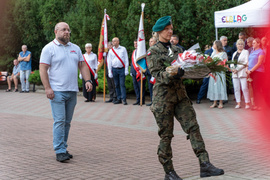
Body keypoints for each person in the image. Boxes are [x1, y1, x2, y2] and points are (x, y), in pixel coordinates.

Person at [147, 16, 224, 180]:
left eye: (171, 28)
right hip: (164, 99)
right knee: (166, 136)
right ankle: (169, 172)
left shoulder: (177, 50)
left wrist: (200, 69)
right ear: (159, 31)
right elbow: (157, 75)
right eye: (167, 29)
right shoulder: (153, 51)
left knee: (193, 128)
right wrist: (174, 73)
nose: (170, 31)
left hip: (180, 96)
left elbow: (187, 65)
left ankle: (205, 164)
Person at [39, 22, 93, 162]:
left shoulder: (75, 48)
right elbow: (43, 69)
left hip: (72, 91)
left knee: (67, 122)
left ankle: (63, 146)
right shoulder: (49, 48)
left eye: (68, 30)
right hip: (57, 91)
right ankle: (59, 150)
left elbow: (82, 65)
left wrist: (87, 80)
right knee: (60, 121)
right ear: (56, 31)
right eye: (63, 30)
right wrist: (47, 88)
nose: (67, 32)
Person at [107, 37, 129, 105]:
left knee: (122, 84)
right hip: (114, 69)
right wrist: (109, 71)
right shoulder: (111, 51)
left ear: (118, 42)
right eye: (113, 41)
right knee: (116, 85)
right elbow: (109, 61)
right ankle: (118, 98)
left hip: (121, 69)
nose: (113, 42)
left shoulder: (123, 49)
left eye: (115, 41)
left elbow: (126, 59)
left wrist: (126, 69)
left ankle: (124, 99)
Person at [207, 40, 228, 109]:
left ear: (217, 45)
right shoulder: (213, 53)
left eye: (214, 44)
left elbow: (225, 63)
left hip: (220, 72)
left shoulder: (223, 53)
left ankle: (221, 102)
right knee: (214, 86)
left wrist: (220, 64)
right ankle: (215, 102)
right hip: (214, 73)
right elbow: (211, 61)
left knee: (220, 86)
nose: (213, 45)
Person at [230, 39, 250, 109]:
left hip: (242, 72)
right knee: (236, 88)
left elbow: (245, 62)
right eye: (239, 44)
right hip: (235, 74)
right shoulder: (235, 53)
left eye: (241, 44)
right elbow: (232, 63)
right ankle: (238, 103)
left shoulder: (246, 52)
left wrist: (237, 69)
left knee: (244, 88)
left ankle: (247, 103)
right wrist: (232, 69)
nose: (240, 45)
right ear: (236, 45)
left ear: (243, 45)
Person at [246, 38, 265, 110]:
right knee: (252, 88)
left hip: (258, 72)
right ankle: (254, 104)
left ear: (258, 43)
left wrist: (251, 71)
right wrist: (247, 69)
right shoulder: (252, 51)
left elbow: (259, 63)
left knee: (257, 88)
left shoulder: (261, 52)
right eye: (252, 43)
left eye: (254, 43)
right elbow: (248, 61)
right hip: (250, 72)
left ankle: (259, 105)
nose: (252, 44)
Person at [131, 39, 146, 105]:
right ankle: (138, 99)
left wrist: (142, 71)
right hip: (134, 71)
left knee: (141, 86)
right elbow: (132, 62)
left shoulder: (142, 52)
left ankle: (142, 100)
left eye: (136, 43)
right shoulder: (134, 51)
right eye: (134, 43)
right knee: (136, 86)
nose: (135, 45)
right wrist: (131, 71)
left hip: (140, 71)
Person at [145, 37, 157, 106]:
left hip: (155, 73)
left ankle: (156, 101)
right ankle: (152, 101)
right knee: (150, 87)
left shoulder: (156, 51)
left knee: (156, 88)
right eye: (149, 41)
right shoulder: (148, 50)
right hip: (149, 72)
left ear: (155, 42)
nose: (150, 43)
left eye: (151, 41)